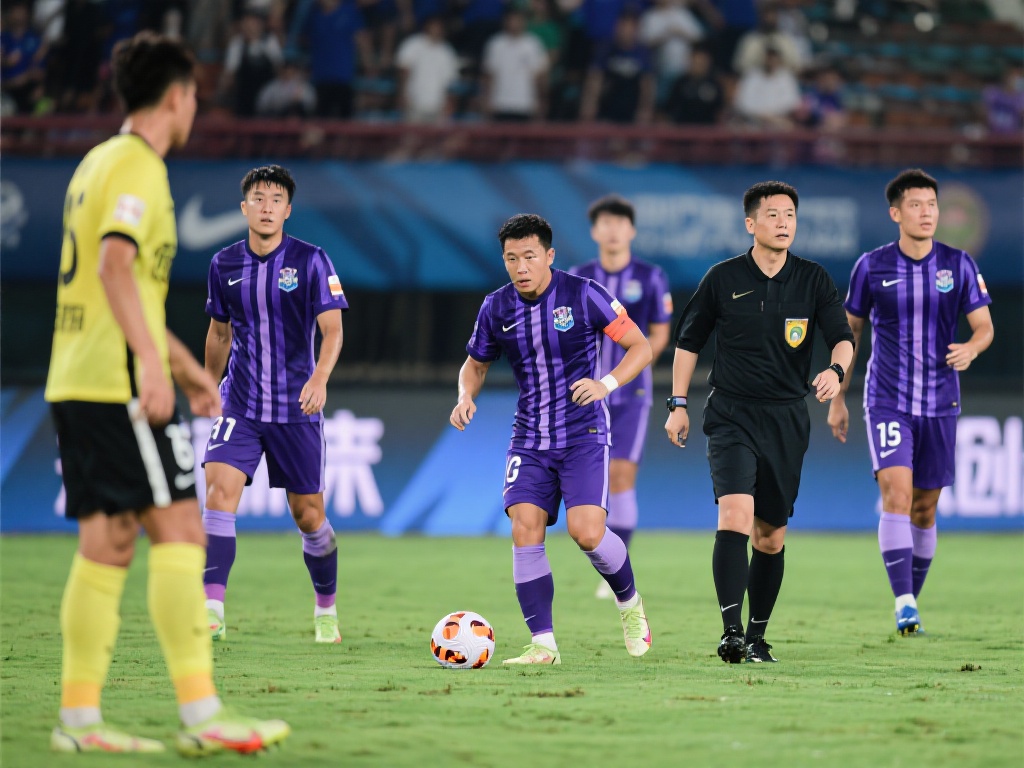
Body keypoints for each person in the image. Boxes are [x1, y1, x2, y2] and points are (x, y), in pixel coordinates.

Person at [44, 31, 289, 755]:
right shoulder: (139, 166)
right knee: (182, 529)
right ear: (178, 97)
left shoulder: (95, 161)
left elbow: (124, 290)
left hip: (76, 375)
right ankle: (202, 715)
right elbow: (116, 266)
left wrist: (183, 366)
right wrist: (153, 369)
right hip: (117, 382)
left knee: (107, 543)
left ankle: (79, 722)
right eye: (195, 96)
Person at [451, 213, 654, 664]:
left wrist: (606, 384)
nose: (520, 267)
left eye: (529, 256)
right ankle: (543, 644)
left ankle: (629, 602)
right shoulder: (496, 307)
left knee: (587, 533)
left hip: (584, 433)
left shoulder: (584, 294)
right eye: (511, 258)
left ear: (549, 256)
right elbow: (476, 364)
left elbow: (640, 346)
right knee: (525, 527)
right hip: (529, 437)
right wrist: (465, 395)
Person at [665, 181, 854, 664]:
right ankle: (731, 633)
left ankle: (757, 636)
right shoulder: (722, 277)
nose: (783, 222)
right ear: (751, 223)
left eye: (790, 214)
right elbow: (688, 343)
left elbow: (842, 337)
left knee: (770, 536)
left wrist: (835, 371)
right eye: (773, 215)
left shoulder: (813, 279)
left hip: (787, 419)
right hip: (731, 413)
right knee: (734, 514)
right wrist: (678, 403)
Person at [827, 169, 994, 635]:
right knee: (896, 496)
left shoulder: (959, 264)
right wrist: (838, 398)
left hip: (940, 402)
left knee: (924, 508)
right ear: (896, 213)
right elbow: (850, 333)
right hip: (888, 399)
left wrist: (972, 348)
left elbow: (984, 327)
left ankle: (909, 598)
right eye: (916, 205)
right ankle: (904, 603)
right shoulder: (871, 266)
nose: (927, 213)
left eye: (932, 205)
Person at [201, 165, 347, 646]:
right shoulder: (223, 264)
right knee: (218, 492)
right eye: (258, 199)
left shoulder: (311, 260)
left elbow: (332, 330)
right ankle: (211, 611)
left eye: (276, 200)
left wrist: (320, 378)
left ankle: (326, 609)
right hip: (240, 404)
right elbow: (219, 334)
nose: (266, 207)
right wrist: (208, 386)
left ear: (288, 210)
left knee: (309, 517)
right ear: (244, 207)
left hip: (296, 409)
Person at [569, 195, 671, 598]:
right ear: (594, 232)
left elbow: (659, 333)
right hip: (586, 395)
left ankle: (613, 572)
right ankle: (604, 555)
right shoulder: (578, 278)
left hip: (631, 394)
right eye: (605, 223)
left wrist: (628, 370)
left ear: (631, 230)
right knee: (596, 480)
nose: (612, 231)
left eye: (620, 223)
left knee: (623, 476)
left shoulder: (650, 277)